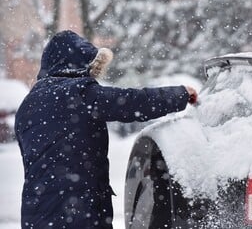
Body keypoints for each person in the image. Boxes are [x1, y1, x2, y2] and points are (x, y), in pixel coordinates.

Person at [14, 30, 197, 229]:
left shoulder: (27, 105)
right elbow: (133, 102)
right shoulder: (79, 94)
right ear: (76, 63)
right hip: (77, 212)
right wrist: (180, 94)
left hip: (36, 213)